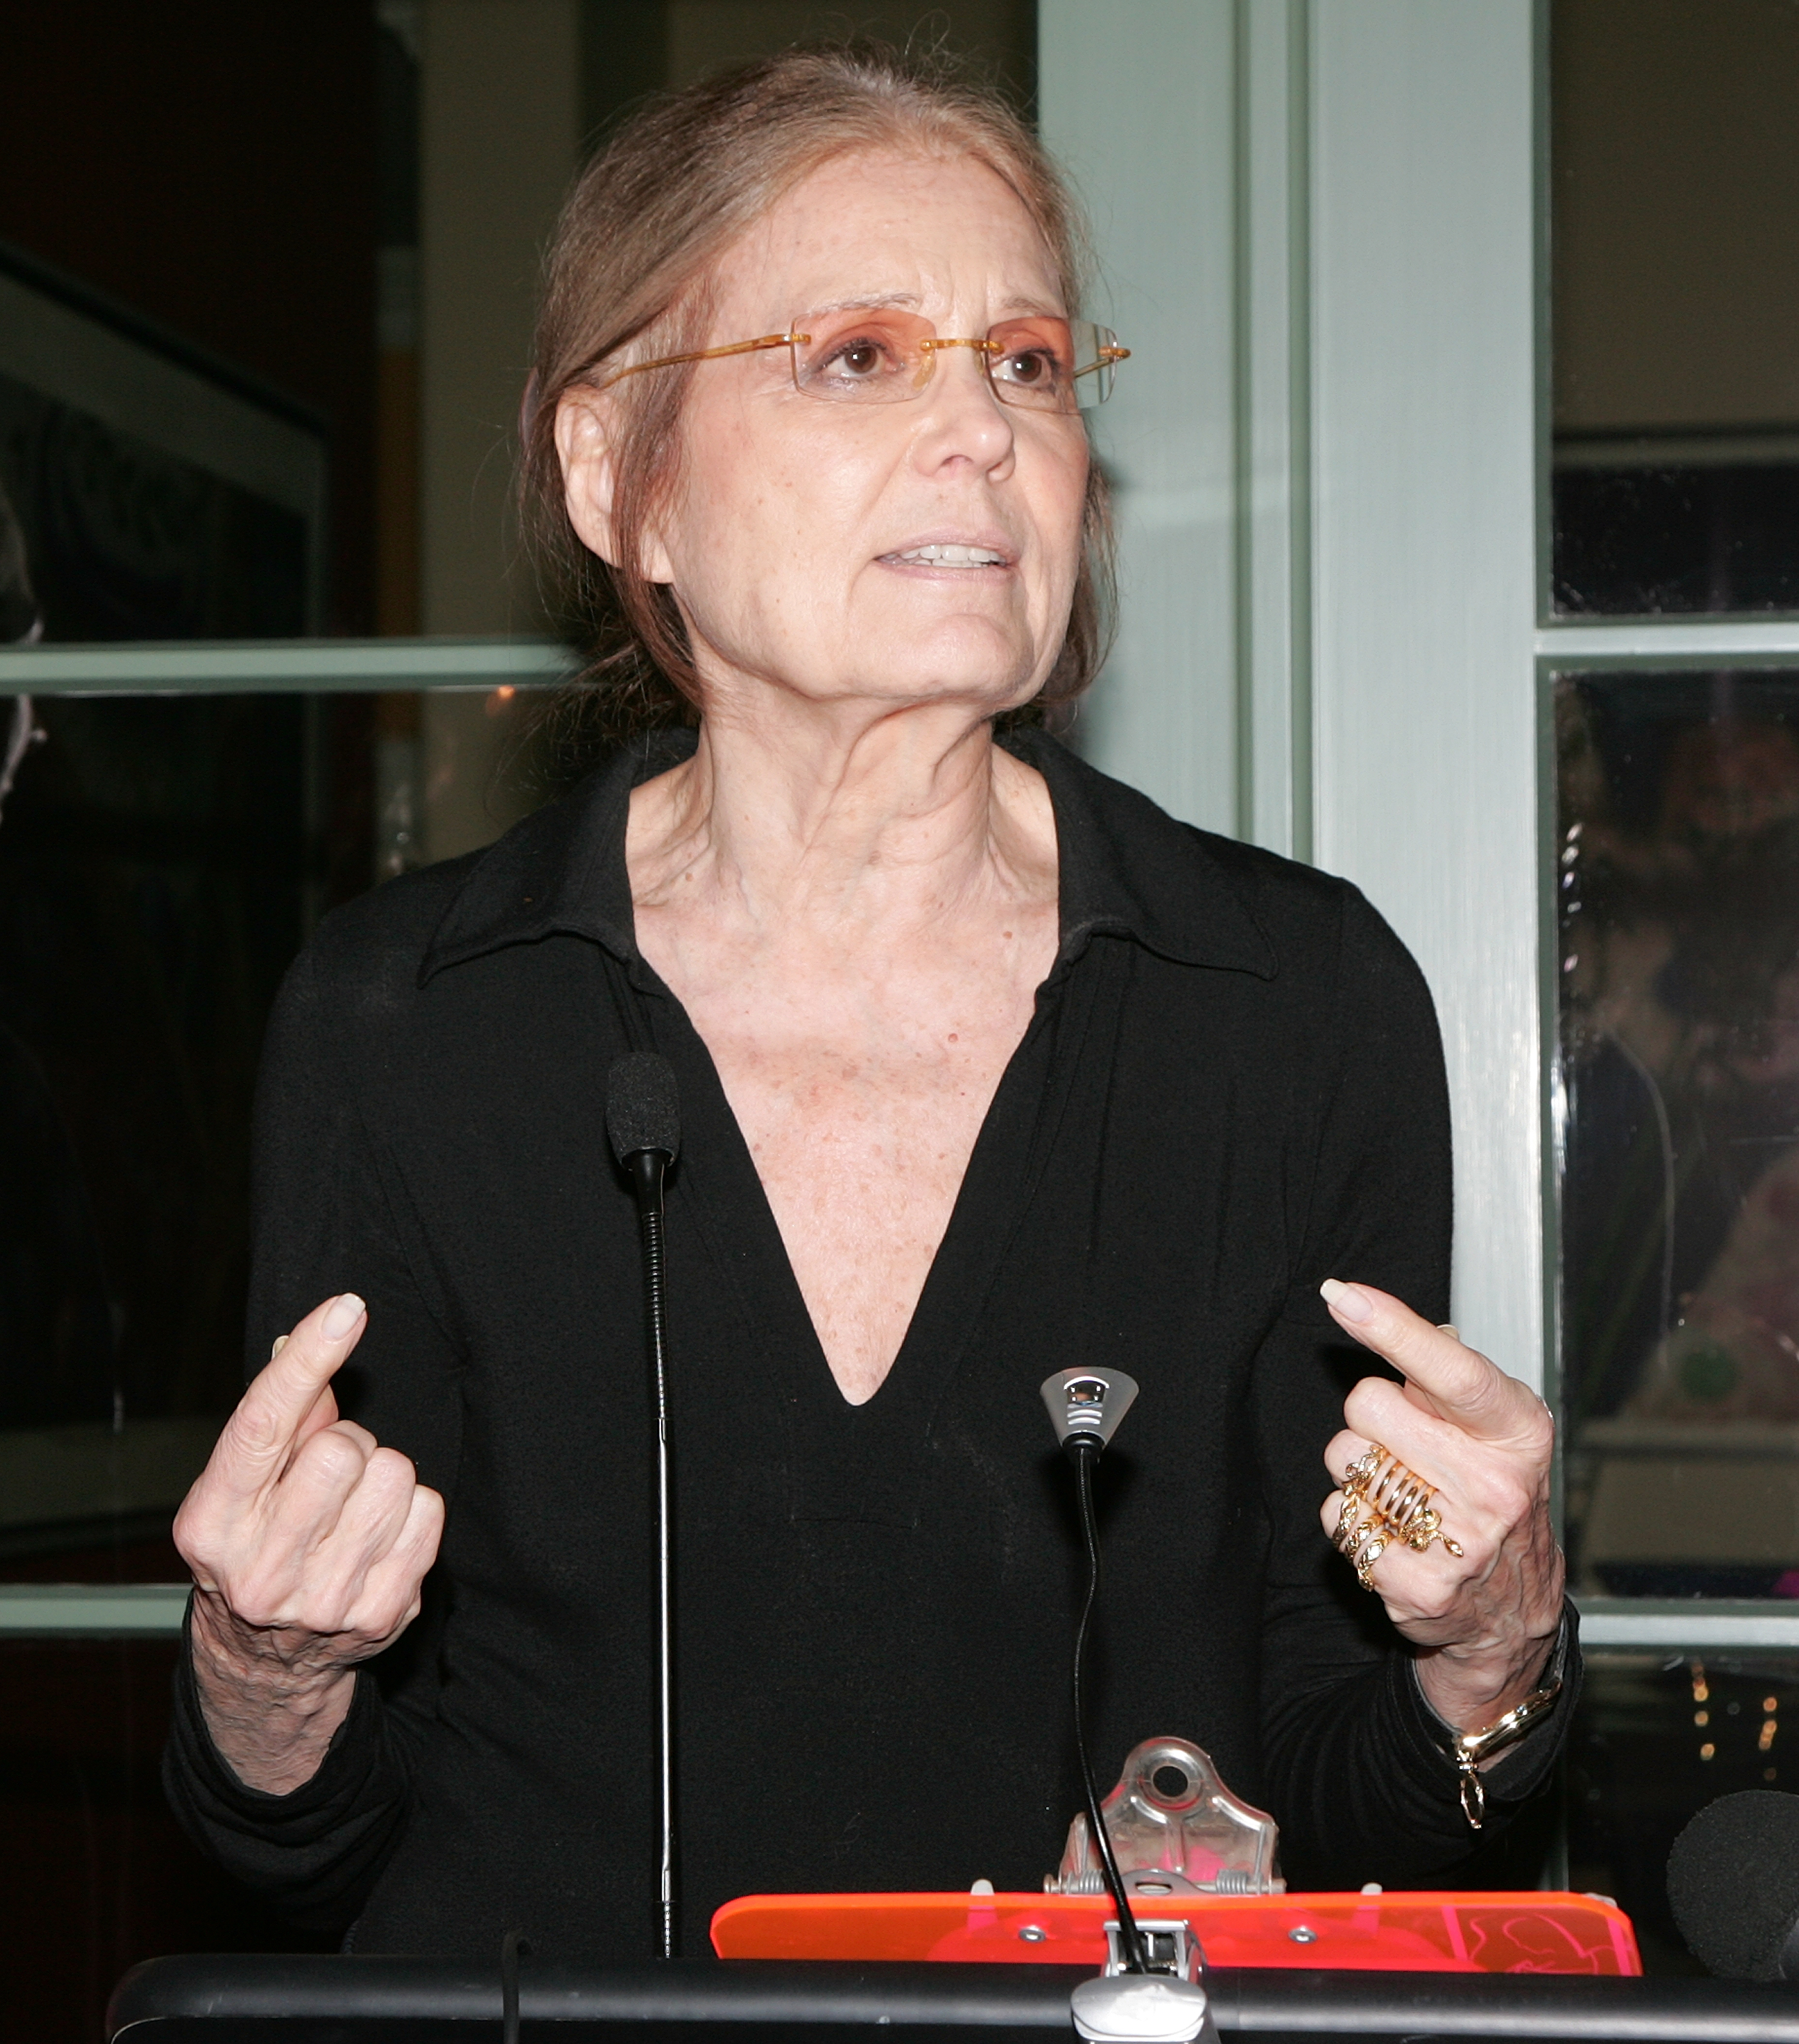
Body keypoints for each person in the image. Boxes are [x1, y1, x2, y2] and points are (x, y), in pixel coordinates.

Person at [164, 47, 1571, 1960]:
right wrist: (266, 1668)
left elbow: (1350, 1812)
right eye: (859, 356)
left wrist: (1490, 1652)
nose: (985, 430)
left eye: (1028, 362)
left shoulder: (1294, 1005)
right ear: (617, 477)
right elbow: (306, 1857)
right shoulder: (409, 1022)